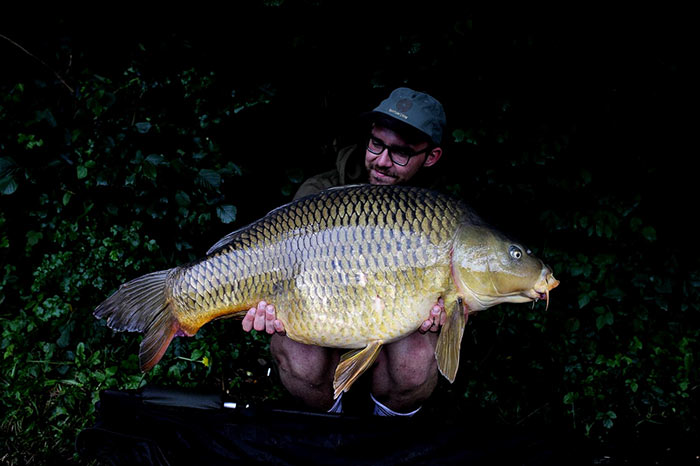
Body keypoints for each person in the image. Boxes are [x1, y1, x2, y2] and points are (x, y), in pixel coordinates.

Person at [243, 87, 448, 416]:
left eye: (400, 153)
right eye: (376, 144)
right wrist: (268, 308)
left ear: (431, 156)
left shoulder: (441, 213)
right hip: (323, 316)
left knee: (414, 368)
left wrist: (450, 309)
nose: (382, 161)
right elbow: (277, 267)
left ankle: (386, 425)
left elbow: (472, 283)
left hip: (400, 332)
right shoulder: (319, 192)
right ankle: (330, 424)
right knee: (301, 363)